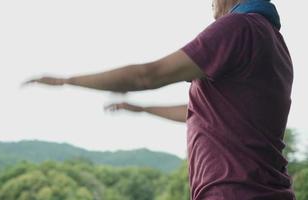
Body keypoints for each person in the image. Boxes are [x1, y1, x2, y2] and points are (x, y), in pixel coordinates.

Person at [24, 0, 295, 199]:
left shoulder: (238, 27)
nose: (209, 4)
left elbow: (147, 75)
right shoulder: (272, 41)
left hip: (233, 192)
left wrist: (66, 81)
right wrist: (141, 110)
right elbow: (201, 114)